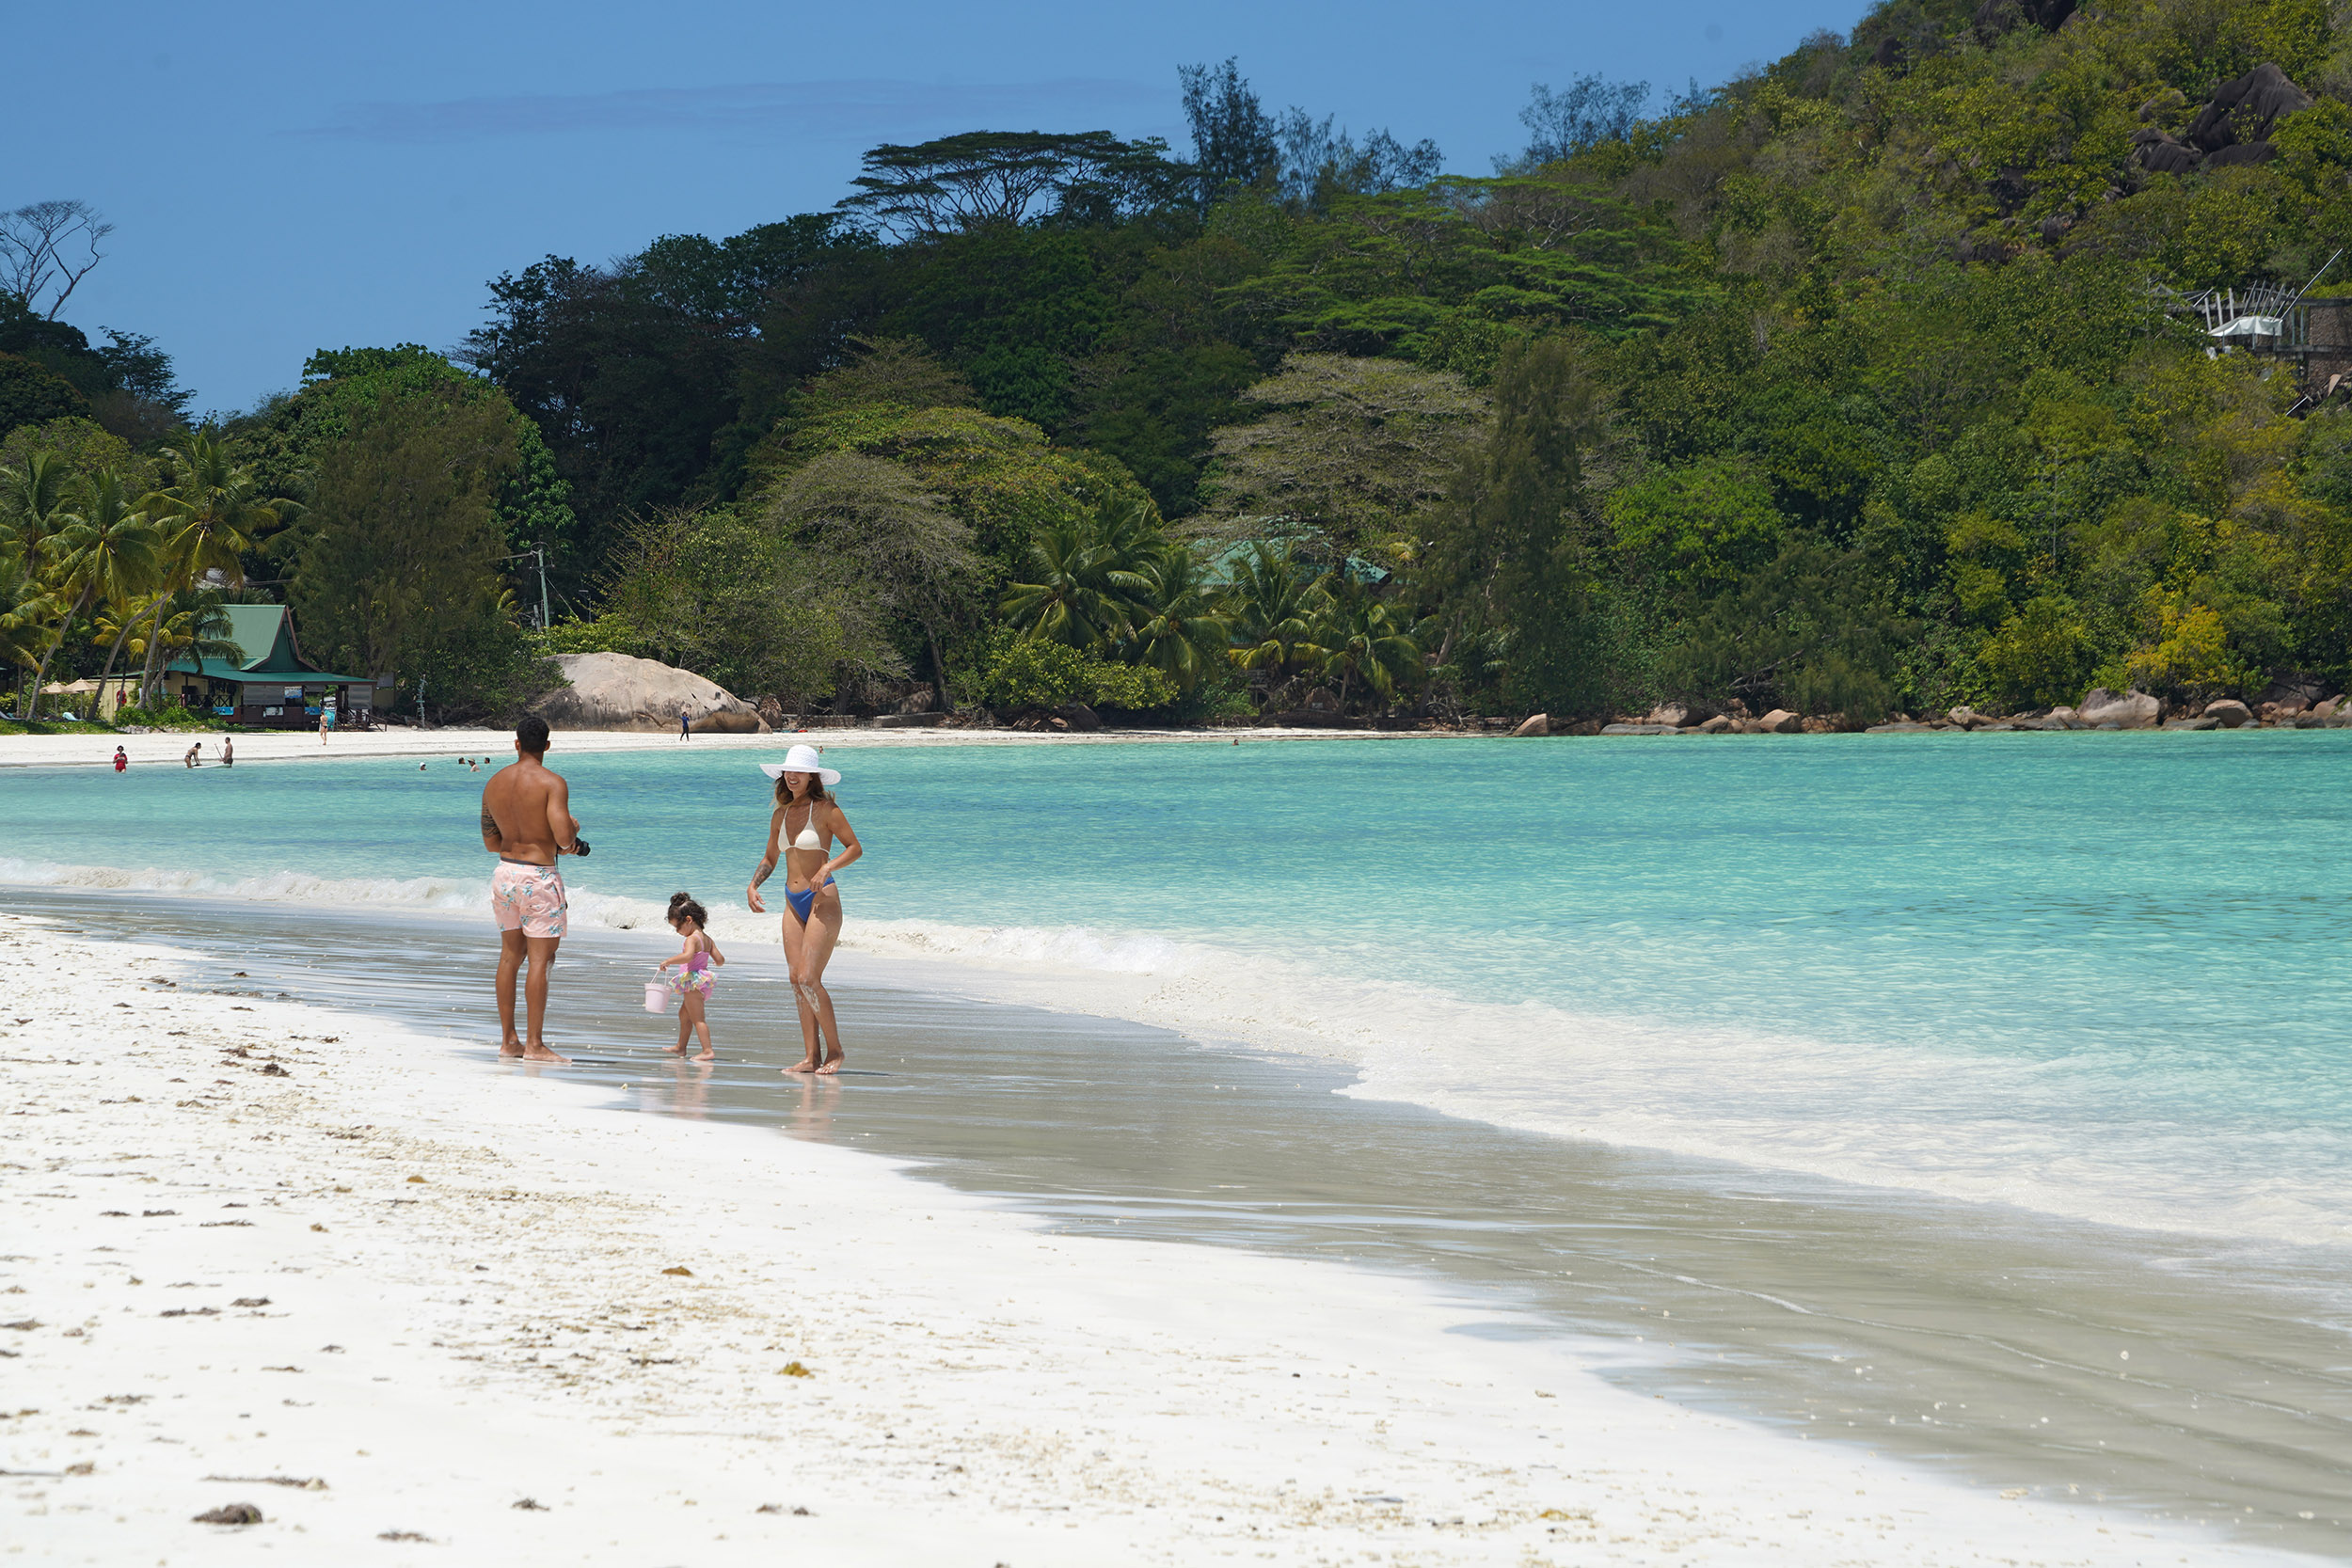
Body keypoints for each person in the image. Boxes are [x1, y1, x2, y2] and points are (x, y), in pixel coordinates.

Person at [748, 744, 862, 1075]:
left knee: (810, 977)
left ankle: (836, 1051)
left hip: (821, 900)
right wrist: (753, 885)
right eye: (788, 771)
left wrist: (828, 869)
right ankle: (811, 1057)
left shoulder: (827, 810)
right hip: (791, 900)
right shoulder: (780, 815)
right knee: (796, 979)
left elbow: (855, 848)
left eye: (798, 771)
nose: (792, 776)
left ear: (812, 776)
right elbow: (770, 858)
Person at [480, 714, 583, 1064]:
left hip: (505, 874)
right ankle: (535, 1045)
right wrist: (570, 827)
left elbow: (491, 843)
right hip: (538, 877)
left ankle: (509, 1041)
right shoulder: (552, 783)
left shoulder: (494, 783)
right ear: (548, 746)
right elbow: (565, 841)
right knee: (541, 959)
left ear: (517, 744)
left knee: (510, 956)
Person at [658, 892, 725, 1062]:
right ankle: (681, 1047)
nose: (678, 931)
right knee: (684, 1014)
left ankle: (707, 1050)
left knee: (698, 1019)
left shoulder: (691, 939)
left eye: (677, 927)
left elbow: (687, 956)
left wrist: (668, 961)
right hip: (700, 982)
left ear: (688, 920)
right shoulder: (707, 939)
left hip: (692, 983)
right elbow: (720, 961)